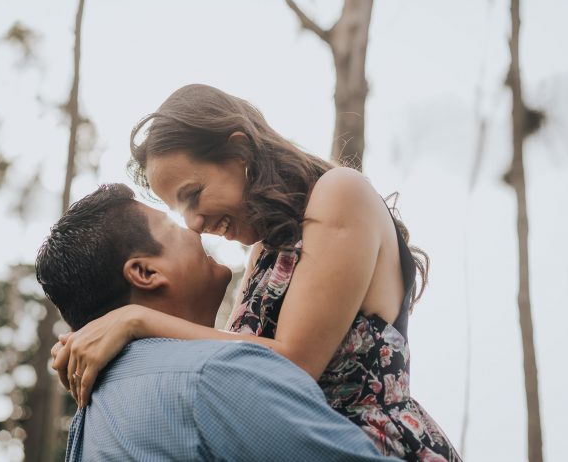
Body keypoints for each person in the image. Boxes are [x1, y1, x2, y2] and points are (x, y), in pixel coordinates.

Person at [54, 84, 462, 462]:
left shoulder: (341, 192)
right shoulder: (264, 253)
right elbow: (239, 368)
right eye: (180, 210)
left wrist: (135, 320)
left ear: (240, 151)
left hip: (375, 448)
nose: (193, 224)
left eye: (193, 195)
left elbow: (293, 367)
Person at [36, 183, 398, 462]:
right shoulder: (212, 376)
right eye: (171, 224)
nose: (194, 229)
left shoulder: (90, 417)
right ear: (146, 272)